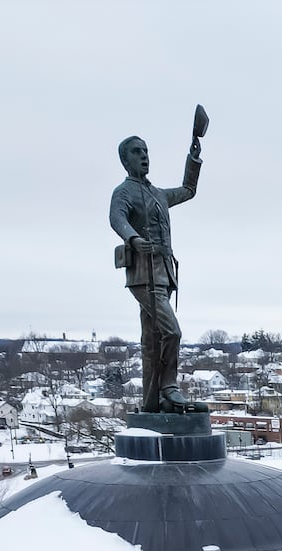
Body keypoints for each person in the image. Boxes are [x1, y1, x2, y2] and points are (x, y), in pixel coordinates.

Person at [109, 133, 206, 413]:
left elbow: (188, 190)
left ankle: (153, 404)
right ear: (125, 160)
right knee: (172, 332)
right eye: (137, 152)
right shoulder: (123, 192)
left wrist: (194, 157)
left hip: (164, 274)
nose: (144, 156)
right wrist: (133, 239)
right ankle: (169, 386)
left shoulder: (159, 194)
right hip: (143, 274)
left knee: (151, 341)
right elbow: (117, 218)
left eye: (146, 151)